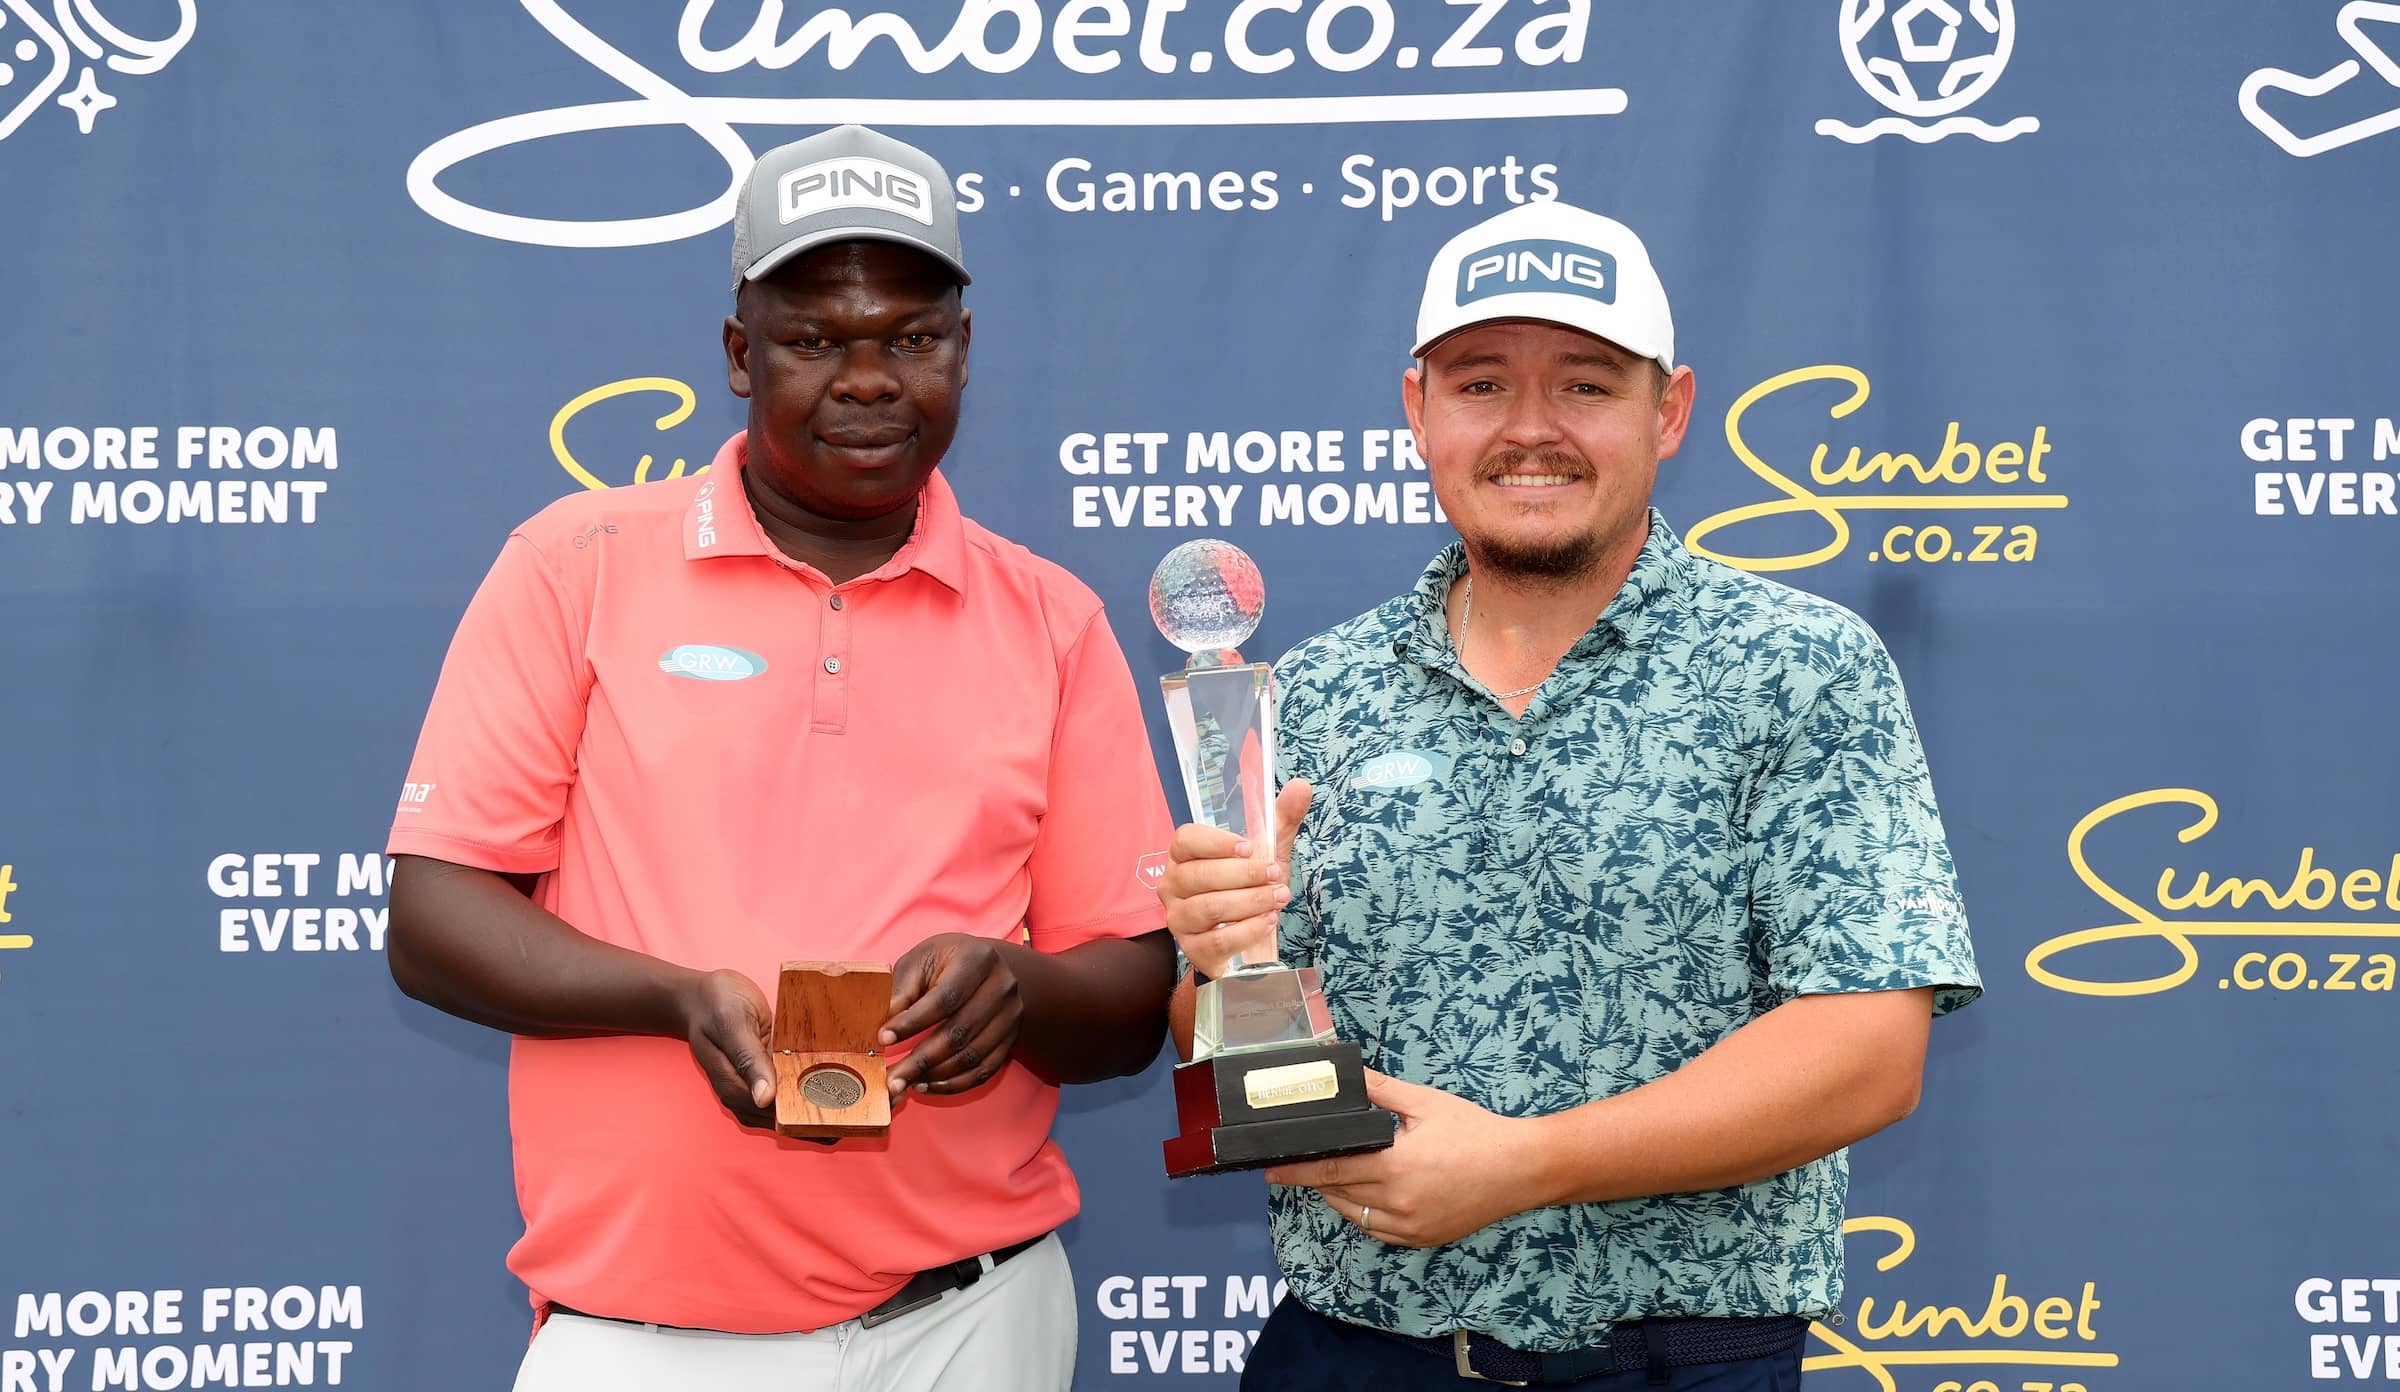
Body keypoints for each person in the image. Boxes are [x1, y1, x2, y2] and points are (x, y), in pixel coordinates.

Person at [386, 124, 1175, 1392]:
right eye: (816, 339)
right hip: (645, 1340)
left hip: (973, 1323)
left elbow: (1134, 993)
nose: (869, 379)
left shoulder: (1052, 618)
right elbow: (432, 921)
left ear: (964, 353)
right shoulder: (576, 564)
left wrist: (1015, 990)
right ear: (741, 355)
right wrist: (677, 996)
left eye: (913, 337)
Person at [1159, 201, 1982, 1390]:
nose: (1531, 430)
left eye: (1587, 386)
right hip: (1349, 1353)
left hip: (1675, 1362)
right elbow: (1229, 1061)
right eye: (1483, 383)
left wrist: (1526, 1162)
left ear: (1672, 409)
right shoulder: (1316, 690)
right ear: (1418, 409)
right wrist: (1221, 970)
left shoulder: (1801, 665)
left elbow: (1868, 1050)